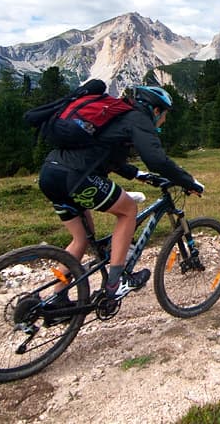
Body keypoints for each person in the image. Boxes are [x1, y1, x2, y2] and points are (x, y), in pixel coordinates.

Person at [37, 84, 203, 304]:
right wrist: (187, 180)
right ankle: (115, 283)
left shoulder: (115, 115)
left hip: (51, 174)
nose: (164, 121)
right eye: (164, 115)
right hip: (76, 177)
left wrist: (139, 174)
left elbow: (106, 155)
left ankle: (57, 297)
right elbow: (156, 159)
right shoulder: (138, 119)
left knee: (80, 239)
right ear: (156, 110)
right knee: (128, 211)